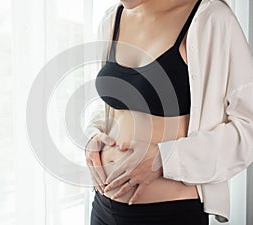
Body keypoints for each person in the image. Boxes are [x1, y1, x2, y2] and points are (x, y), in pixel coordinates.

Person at [84, 0, 253, 224]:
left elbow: (248, 126)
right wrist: (93, 138)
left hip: (169, 214)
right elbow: (114, 108)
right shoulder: (112, 19)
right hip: (103, 209)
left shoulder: (211, 18)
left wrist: (165, 159)